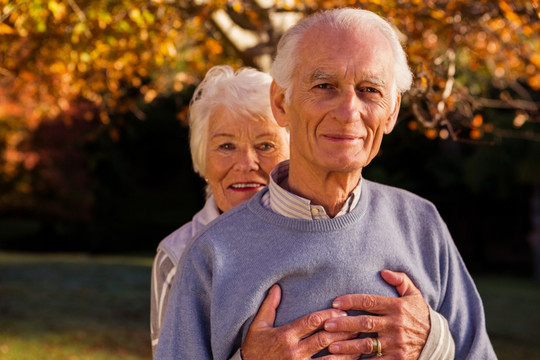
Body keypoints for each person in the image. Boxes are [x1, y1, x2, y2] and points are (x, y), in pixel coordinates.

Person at [156, 8, 497, 360]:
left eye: (369, 90)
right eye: (324, 86)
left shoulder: (422, 225)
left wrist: (433, 343)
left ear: (392, 111)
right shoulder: (211, 254)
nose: (349, 111)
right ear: (281, 103)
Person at [150, 65, 290, 351]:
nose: (245, 163)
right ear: (202, 159)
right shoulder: (177, 256)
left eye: (265, 145)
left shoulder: (324, 229)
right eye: (226, 146)